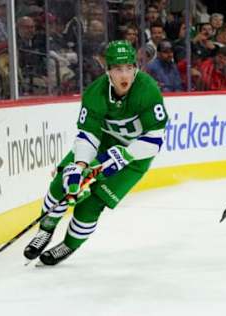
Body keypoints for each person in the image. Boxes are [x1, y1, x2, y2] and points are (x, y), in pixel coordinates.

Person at [23, 40, 168, 266]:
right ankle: (46, 230)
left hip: (135, 155)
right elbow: (88, 134)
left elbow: (154, 139)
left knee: (91, 204)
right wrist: (80, 165)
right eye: (118, 69)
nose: (125, 75)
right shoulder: (95, 92)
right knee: (63, 182)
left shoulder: (147, 89)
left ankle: (69, 245)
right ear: (107, 69)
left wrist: (122, 156)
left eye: (129, 68)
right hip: (102, 144)